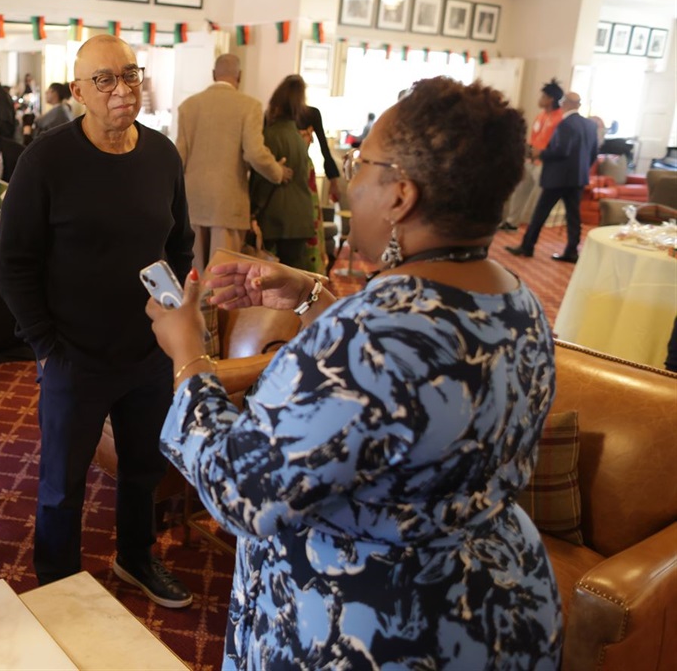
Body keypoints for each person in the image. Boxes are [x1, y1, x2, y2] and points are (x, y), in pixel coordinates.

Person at [147, 76, 562, 669]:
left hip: (375, 627)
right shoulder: (519, 303)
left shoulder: (367, 337)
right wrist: (310, 294)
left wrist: (187, 354)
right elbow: (398, 384)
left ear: (401, 196)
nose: (350, 182)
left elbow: (242, 490)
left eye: (362, 162)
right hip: (495, 608)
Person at [0, 35, 195, 608]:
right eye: (104, 80)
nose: (121, 89)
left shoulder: (161, 155)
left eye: (130, 75)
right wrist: (45, 344)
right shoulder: (45, 161)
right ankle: (56, 584)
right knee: (63, 484)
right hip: (72, 355)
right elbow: (14, 264)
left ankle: (136, 558)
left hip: (147, 352)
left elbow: (178, 244)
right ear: (79, 91)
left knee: (143, 469)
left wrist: (168, 308)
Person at [176, 53, 292, 274]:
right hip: (228, 203)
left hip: (192, 203)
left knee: (194, 275)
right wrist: (277, 172)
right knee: (222, 277)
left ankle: (194, 309)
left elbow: (178, 157)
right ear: (240, 76)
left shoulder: (188, 106)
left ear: (213, 74)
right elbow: (255, 153)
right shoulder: (249, 106)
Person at [507, 91, 598, 263]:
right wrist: (582, 169)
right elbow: (593, 153)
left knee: (540, 213)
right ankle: (572, 250)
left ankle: (527, 246)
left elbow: (561, 151)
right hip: (578, 178)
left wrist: (540, 153)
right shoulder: (590, 125)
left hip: (558, 178)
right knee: (573, 216)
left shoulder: (565, 124)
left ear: (566, 104)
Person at [249, 75, 324, 273]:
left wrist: (252, 210)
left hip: (278, 219)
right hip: (299, 219)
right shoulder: (297, 137)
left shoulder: (271, 136)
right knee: (292, 279)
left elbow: (263, 180)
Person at [500, 79, 564, 231]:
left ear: (551, 99)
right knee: (519, 191)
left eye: (543, 97)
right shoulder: (541, 116)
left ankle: (531, 226)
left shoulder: (559, 119)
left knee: (537, 198)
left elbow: (558, 143)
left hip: (545, 164)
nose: (540, 100)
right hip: (531, 161)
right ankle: (511, 222)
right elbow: (534, 137)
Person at [294, 102, 344, 203]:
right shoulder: (311, 113)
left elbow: (324, 149)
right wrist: (333, 181)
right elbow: (324, 149)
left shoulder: (311, 114)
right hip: (298, 167)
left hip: (298, 167)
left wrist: (333, 180)